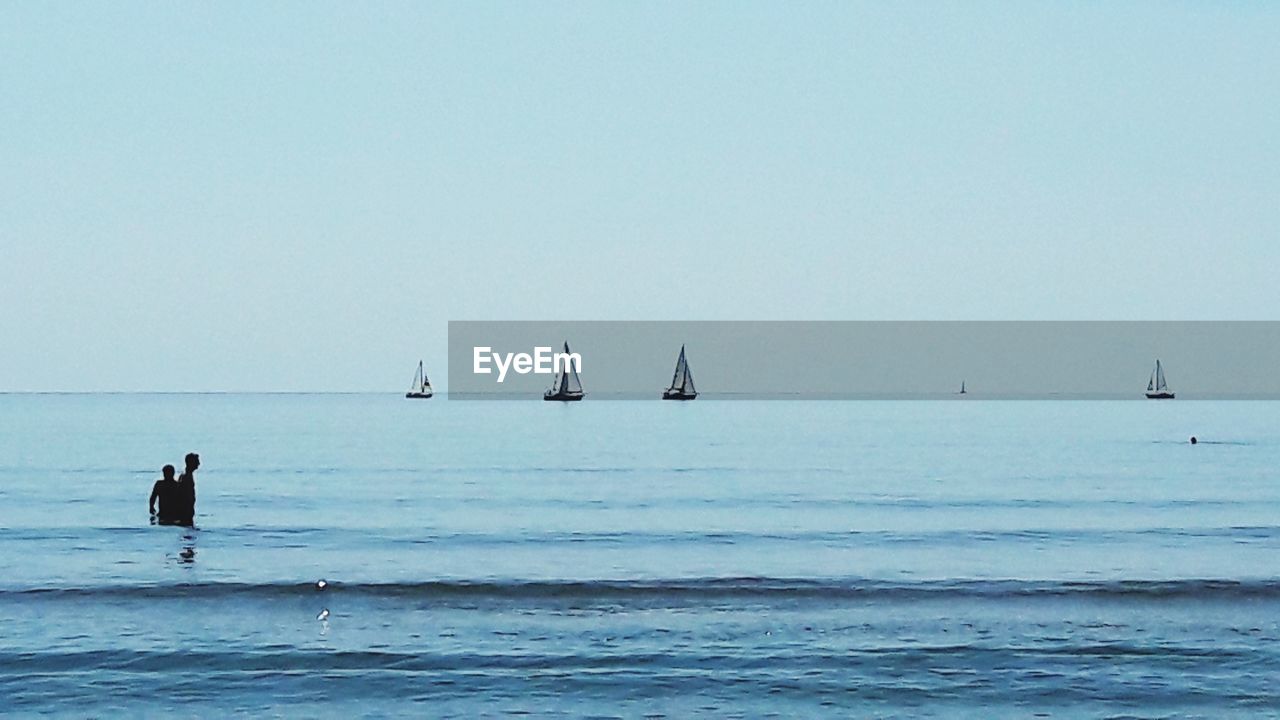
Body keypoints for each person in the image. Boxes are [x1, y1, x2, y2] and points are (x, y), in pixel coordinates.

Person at [175, 452, 200, 526]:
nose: (198, 464)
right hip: (186, 509)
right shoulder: (187, 477)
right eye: (197, 461)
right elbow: (185, 495)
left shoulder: (184, 475)